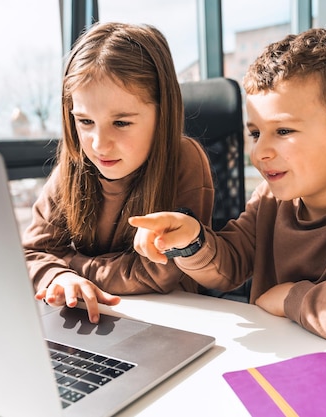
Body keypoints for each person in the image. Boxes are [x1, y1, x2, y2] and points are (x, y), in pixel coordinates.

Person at [129, 28, 326, 352]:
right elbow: (228, 267)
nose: (259, 152)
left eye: (282, 130)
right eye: (255, 133)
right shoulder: (271, 201)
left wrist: (295, 298)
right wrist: (191, 241)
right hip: (279, 367)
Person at [22, 22, 214, 323]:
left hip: (175, 319)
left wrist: (72, 264)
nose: (99, 145)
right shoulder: (74, 166)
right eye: (85, 122)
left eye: (121, 123)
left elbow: (159, 273)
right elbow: (31, 254)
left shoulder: (183, 160)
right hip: (98, 317)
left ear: (162, 114)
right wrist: (60, 276)